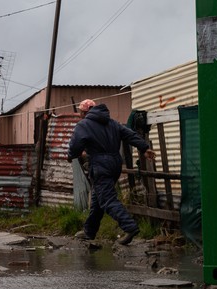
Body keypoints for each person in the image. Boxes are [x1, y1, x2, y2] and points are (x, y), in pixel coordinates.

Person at [67, 99, 156, 245]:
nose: (79, 115)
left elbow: (76, 145)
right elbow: (129, 134)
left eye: (80, 112)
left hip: (100, 164)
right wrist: (144, 148)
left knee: (107, 199)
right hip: (115, 163)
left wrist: (71, 155)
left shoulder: (83, 125)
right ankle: (89, 231)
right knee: (98, 198)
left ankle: (130, 227)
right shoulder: (112, 123)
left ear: (85, 112)